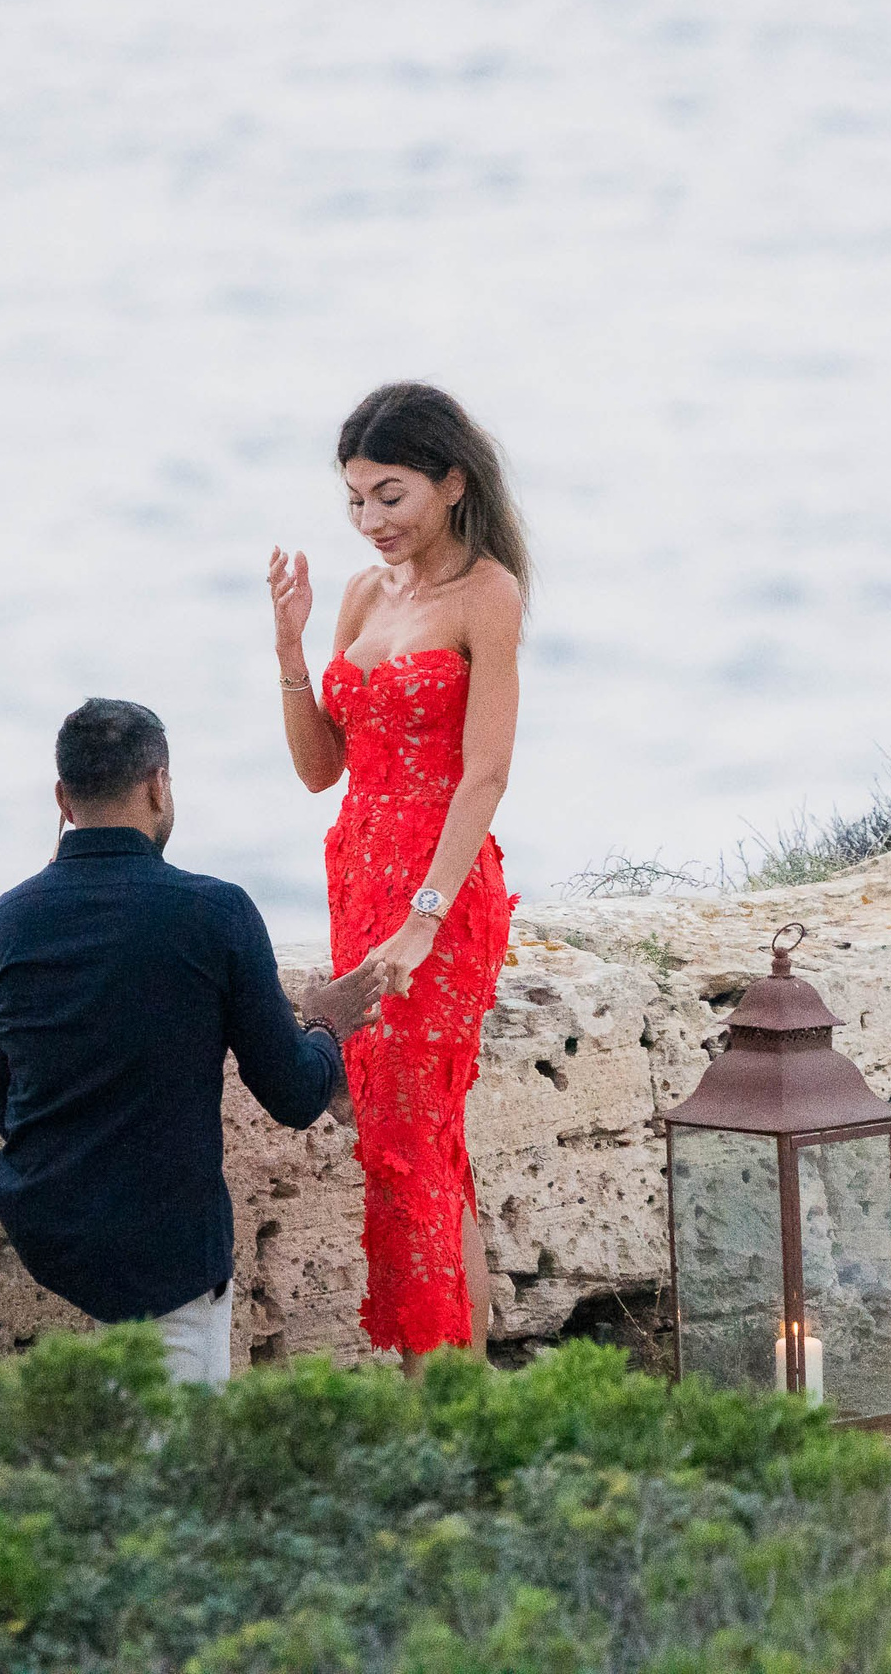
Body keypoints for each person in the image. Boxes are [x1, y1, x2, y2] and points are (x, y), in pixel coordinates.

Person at [0, 698, 389, 1386]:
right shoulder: (214, 914)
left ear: (62, 798)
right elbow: (292, 1092)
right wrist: (321, 1024)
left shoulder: (6, 925)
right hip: (166, 1248)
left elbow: (3, 1101)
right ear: (158, 784)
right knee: (180, 1474)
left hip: (57, 1235)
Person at [267, 381, 526, 1369]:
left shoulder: (486, 594)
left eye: (390, 495)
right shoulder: (365, 594)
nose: (369, 520)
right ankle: (460, 1396)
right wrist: (289, 650)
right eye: (355, 499)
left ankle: (438, 1401)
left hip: (440, 893)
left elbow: (487, 771)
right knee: (410, 1142)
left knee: (411, 1143)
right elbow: (317, 768)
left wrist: (424, 915)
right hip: (357, 876)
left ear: (451, 484)